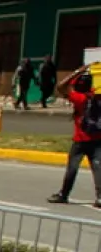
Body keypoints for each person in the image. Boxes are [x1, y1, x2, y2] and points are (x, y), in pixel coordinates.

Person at [47, 64, 101, 208]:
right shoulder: (96, 97)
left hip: (80, 140)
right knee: (98, 169)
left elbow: (60, 86)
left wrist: (78, 71)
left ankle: (63, 195)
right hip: (97, 139)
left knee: (72, 168)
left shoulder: (80, 99)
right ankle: (100, 198)